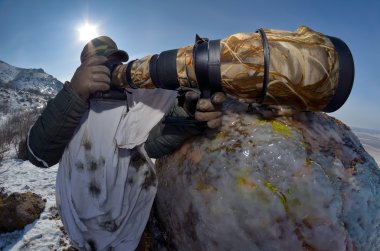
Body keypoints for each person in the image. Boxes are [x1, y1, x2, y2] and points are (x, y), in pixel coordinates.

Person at [26, 36, 225, 251]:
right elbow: (39, 154)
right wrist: (75, 93)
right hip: (83, 232)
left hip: (133, 225)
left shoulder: (137, 103)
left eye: (116, 62)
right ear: (84, 68)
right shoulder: (72, 105)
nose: (112, 70)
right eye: (102, 63)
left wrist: (187, 115)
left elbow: (150, 147)